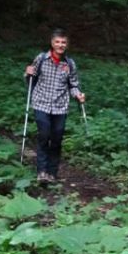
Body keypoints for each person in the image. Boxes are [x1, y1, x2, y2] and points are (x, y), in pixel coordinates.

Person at [24, 28, 86, 183]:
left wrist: (78, 94)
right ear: (52, 43)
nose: (60, 45)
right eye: (57, 42)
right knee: (44, 135)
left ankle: (52, 172)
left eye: (63, 42)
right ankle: (42, 171)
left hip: (60, 106)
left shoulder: (70, 64)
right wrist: (28, 73)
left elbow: (73, 85)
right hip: (41, 103)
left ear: (67, 44)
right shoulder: (41, 59)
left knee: (57, 139)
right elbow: (31, 78)